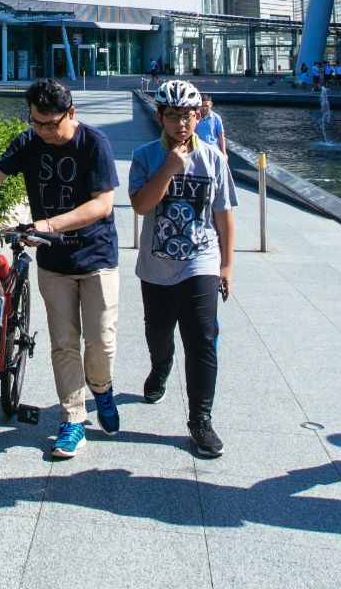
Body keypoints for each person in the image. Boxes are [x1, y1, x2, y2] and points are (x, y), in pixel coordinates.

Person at [0, 78, 120, 459]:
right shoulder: (29, 142)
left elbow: (103, 205)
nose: (44, 131)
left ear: (71, 114)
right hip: (53, 262)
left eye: (52, 123)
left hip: (96, 257)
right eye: (37, 122)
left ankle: (102, 388)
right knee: (64, 344)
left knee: (100, 342)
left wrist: (48, 225)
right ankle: (73, 420)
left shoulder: (94, 143)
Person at [130, 80, 237, 457]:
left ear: (198, 116)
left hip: (200, 260)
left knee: (202, 339)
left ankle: (200, 419)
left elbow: (223, 213)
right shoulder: (145, 156)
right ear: (160, 117)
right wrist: (170, 169)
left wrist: (226, 264)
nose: (181, 124)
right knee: (158, 331)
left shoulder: (214, 159)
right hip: (156, 265)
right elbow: (142, 206)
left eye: (188, 116)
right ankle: (161, 367)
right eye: (172, 116)